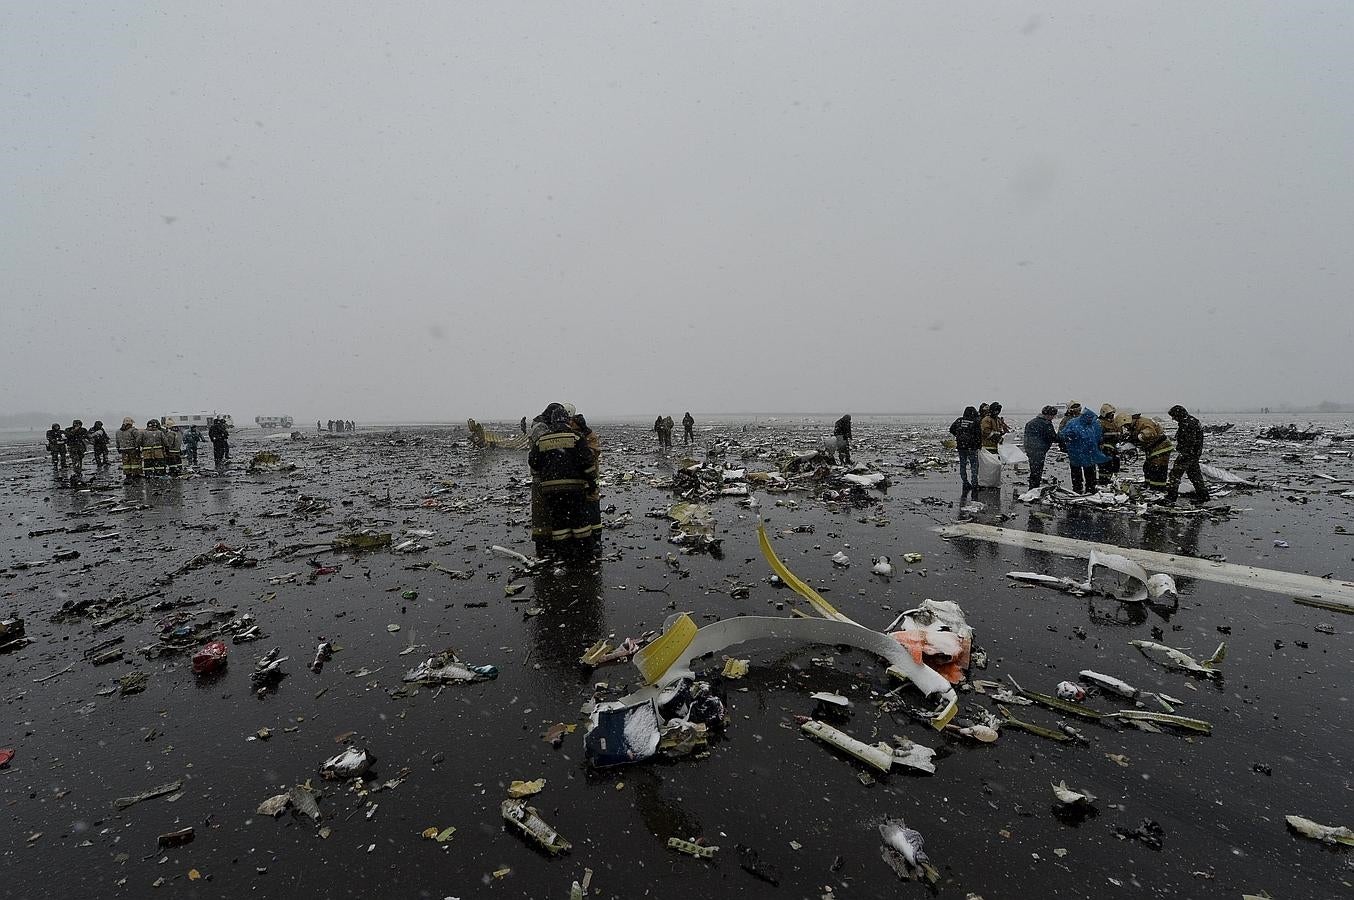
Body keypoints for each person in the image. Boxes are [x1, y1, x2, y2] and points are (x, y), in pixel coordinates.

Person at [528, 405, 599, 558]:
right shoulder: (576, 437)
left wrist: (548, 468)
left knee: (559, 522)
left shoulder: (542, 439)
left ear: (552, 421)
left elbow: (533, 462)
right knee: (579, 521)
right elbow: (587, 462)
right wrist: (591, 482)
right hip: (574, 488)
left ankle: (563, 552)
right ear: (567, 420)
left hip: (550, 490)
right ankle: (584, 552)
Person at [568, 404, 604, 548]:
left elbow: (591, 454)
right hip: (578, 479)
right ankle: (583, 538)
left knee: (593, 506)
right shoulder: (576, 437)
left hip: (590, 476)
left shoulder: (590, 437)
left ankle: (595, 538)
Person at [1162, 405, 1209, 505]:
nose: (1173, 419)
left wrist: (1184, 454)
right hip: (1194, 454)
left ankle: (1171, 497)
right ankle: (1203, 495)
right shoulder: (1192, 421)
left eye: (1174, 416)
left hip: (1187, 454)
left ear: (1179, 414)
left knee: (1175, 475)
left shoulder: (1187, 424)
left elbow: (1189, 442)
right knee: (1195, 475)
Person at [1060, 408, 1109, 494]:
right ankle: (1077, 488)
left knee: (1089, 472)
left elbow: (1098, 435)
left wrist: (1100, 443)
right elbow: (1063, 435)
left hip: (1088, 452)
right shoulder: (1073, 423)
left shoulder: (1093, 424)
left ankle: (1090, 489)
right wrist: (1071, 436)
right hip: (1076, 452)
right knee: (1077, 471)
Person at [1126, 413, 1173, 491]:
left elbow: (1149, 434)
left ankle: (1157, 488)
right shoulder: (1136, 424)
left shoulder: (1142, 423)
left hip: (1160, 448)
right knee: (1148, 467)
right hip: (1153, 449)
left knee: (1157, 468)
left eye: (1126, 426)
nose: (1126, 428)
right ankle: (1149, 485)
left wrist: (1138, 438)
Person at [1023, 406, 1064, 490]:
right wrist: (1063, 438)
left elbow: (1026, 438)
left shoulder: (1031, 422)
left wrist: (1028, 449)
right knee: (1037, 472)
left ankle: (1032, 488)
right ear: (1048, 415)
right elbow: (1053, 437)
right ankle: (1034, 489)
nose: (1053, 418)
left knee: (1033, 470)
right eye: (1052, 415)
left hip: (1031, 450)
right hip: (1040, 451)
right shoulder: (1046, 424)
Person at [949, 406, 982, 490]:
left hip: (961, 447)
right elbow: (978, 435)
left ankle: (965, 482)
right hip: (972, 447)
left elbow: (951, 429)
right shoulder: (975, 422)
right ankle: (974, 483)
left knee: (962, 465)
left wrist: (958, 435)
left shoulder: (959, 420)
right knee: (974, 465)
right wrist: (979, 445)